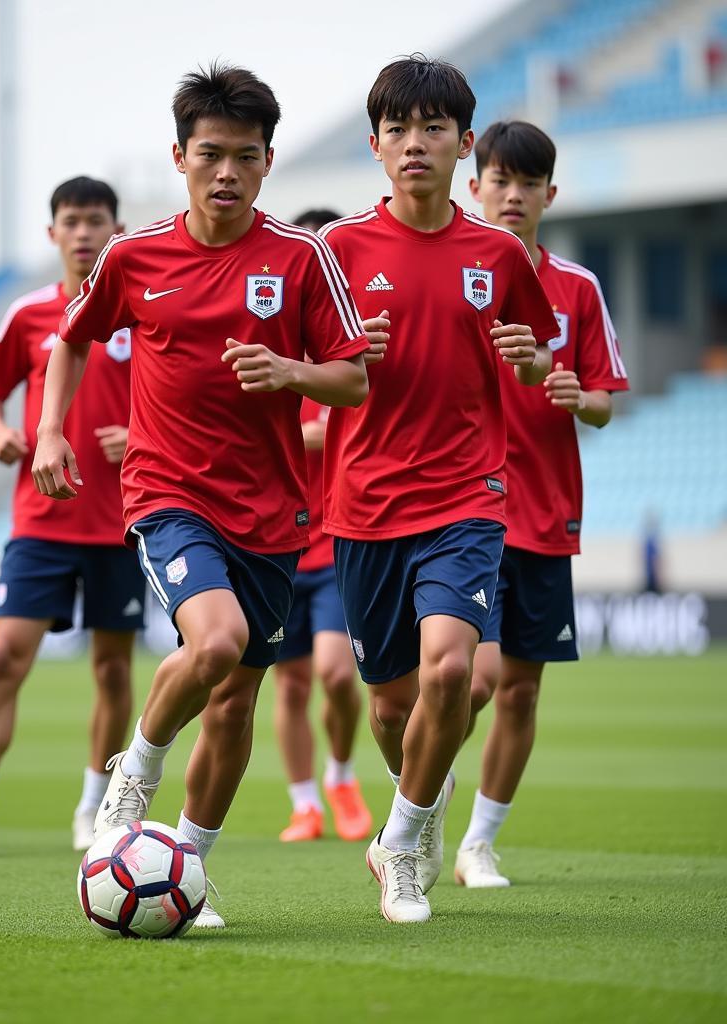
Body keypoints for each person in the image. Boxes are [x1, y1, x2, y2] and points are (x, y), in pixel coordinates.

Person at [32, 64, 373, 928]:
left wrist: (291, 370)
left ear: (267, 165)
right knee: (214, 643)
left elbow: (352, 380)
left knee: (236, 700)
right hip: (165, 491)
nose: (227, 171)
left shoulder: (301, 258)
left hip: (271, 514)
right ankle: (132, 776)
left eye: (246, 157)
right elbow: (70, 341)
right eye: (210, 154)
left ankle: (186, 866)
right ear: (179, 156)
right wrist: (49, 430)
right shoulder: (135, 254)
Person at [320, 55, 560, 923]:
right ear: (375, 145)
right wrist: (336, 364)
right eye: (398, 129)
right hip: (362, 505)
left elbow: (534, 350)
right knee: (390, 707)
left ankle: (404, 849)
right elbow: (308, 376)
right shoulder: (336, 251)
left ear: (464, 144)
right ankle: (416, 796)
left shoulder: (499, 252)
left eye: (432, 129)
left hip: (466, 498)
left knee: (452, 670)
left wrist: (527, 360)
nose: (414, 144)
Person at [0, 177, 144, 858]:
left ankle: (94, 810)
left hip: (122, 519)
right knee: (7, 654)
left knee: (112, 669)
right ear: (52, 235)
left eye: (94, 220)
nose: (81, 233)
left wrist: (142, 436)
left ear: (115, 230)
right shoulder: (28, 315)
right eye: (69, 221)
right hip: (41, 520)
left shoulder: (140, 311)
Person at [455, 120, 629, 887]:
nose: (513, 194)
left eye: (529, 183)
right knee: (475, 679)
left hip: (546, 510)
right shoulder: (449, 271)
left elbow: (605, 404)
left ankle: (477, 843)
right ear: (476, 186)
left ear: (550, 195)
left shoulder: (578, 288)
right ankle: (422, 795)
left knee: (521, 688)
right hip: (463, 504)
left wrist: (577, 395)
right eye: (500, 179)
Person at [273, 208, 371, 845]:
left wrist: (315, 432)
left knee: (338, 674)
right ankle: (304, 803)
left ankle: (341, 774)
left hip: (337, 537)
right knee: (291, 682)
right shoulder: (270, 344)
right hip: (279, 538)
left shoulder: (351, 353)